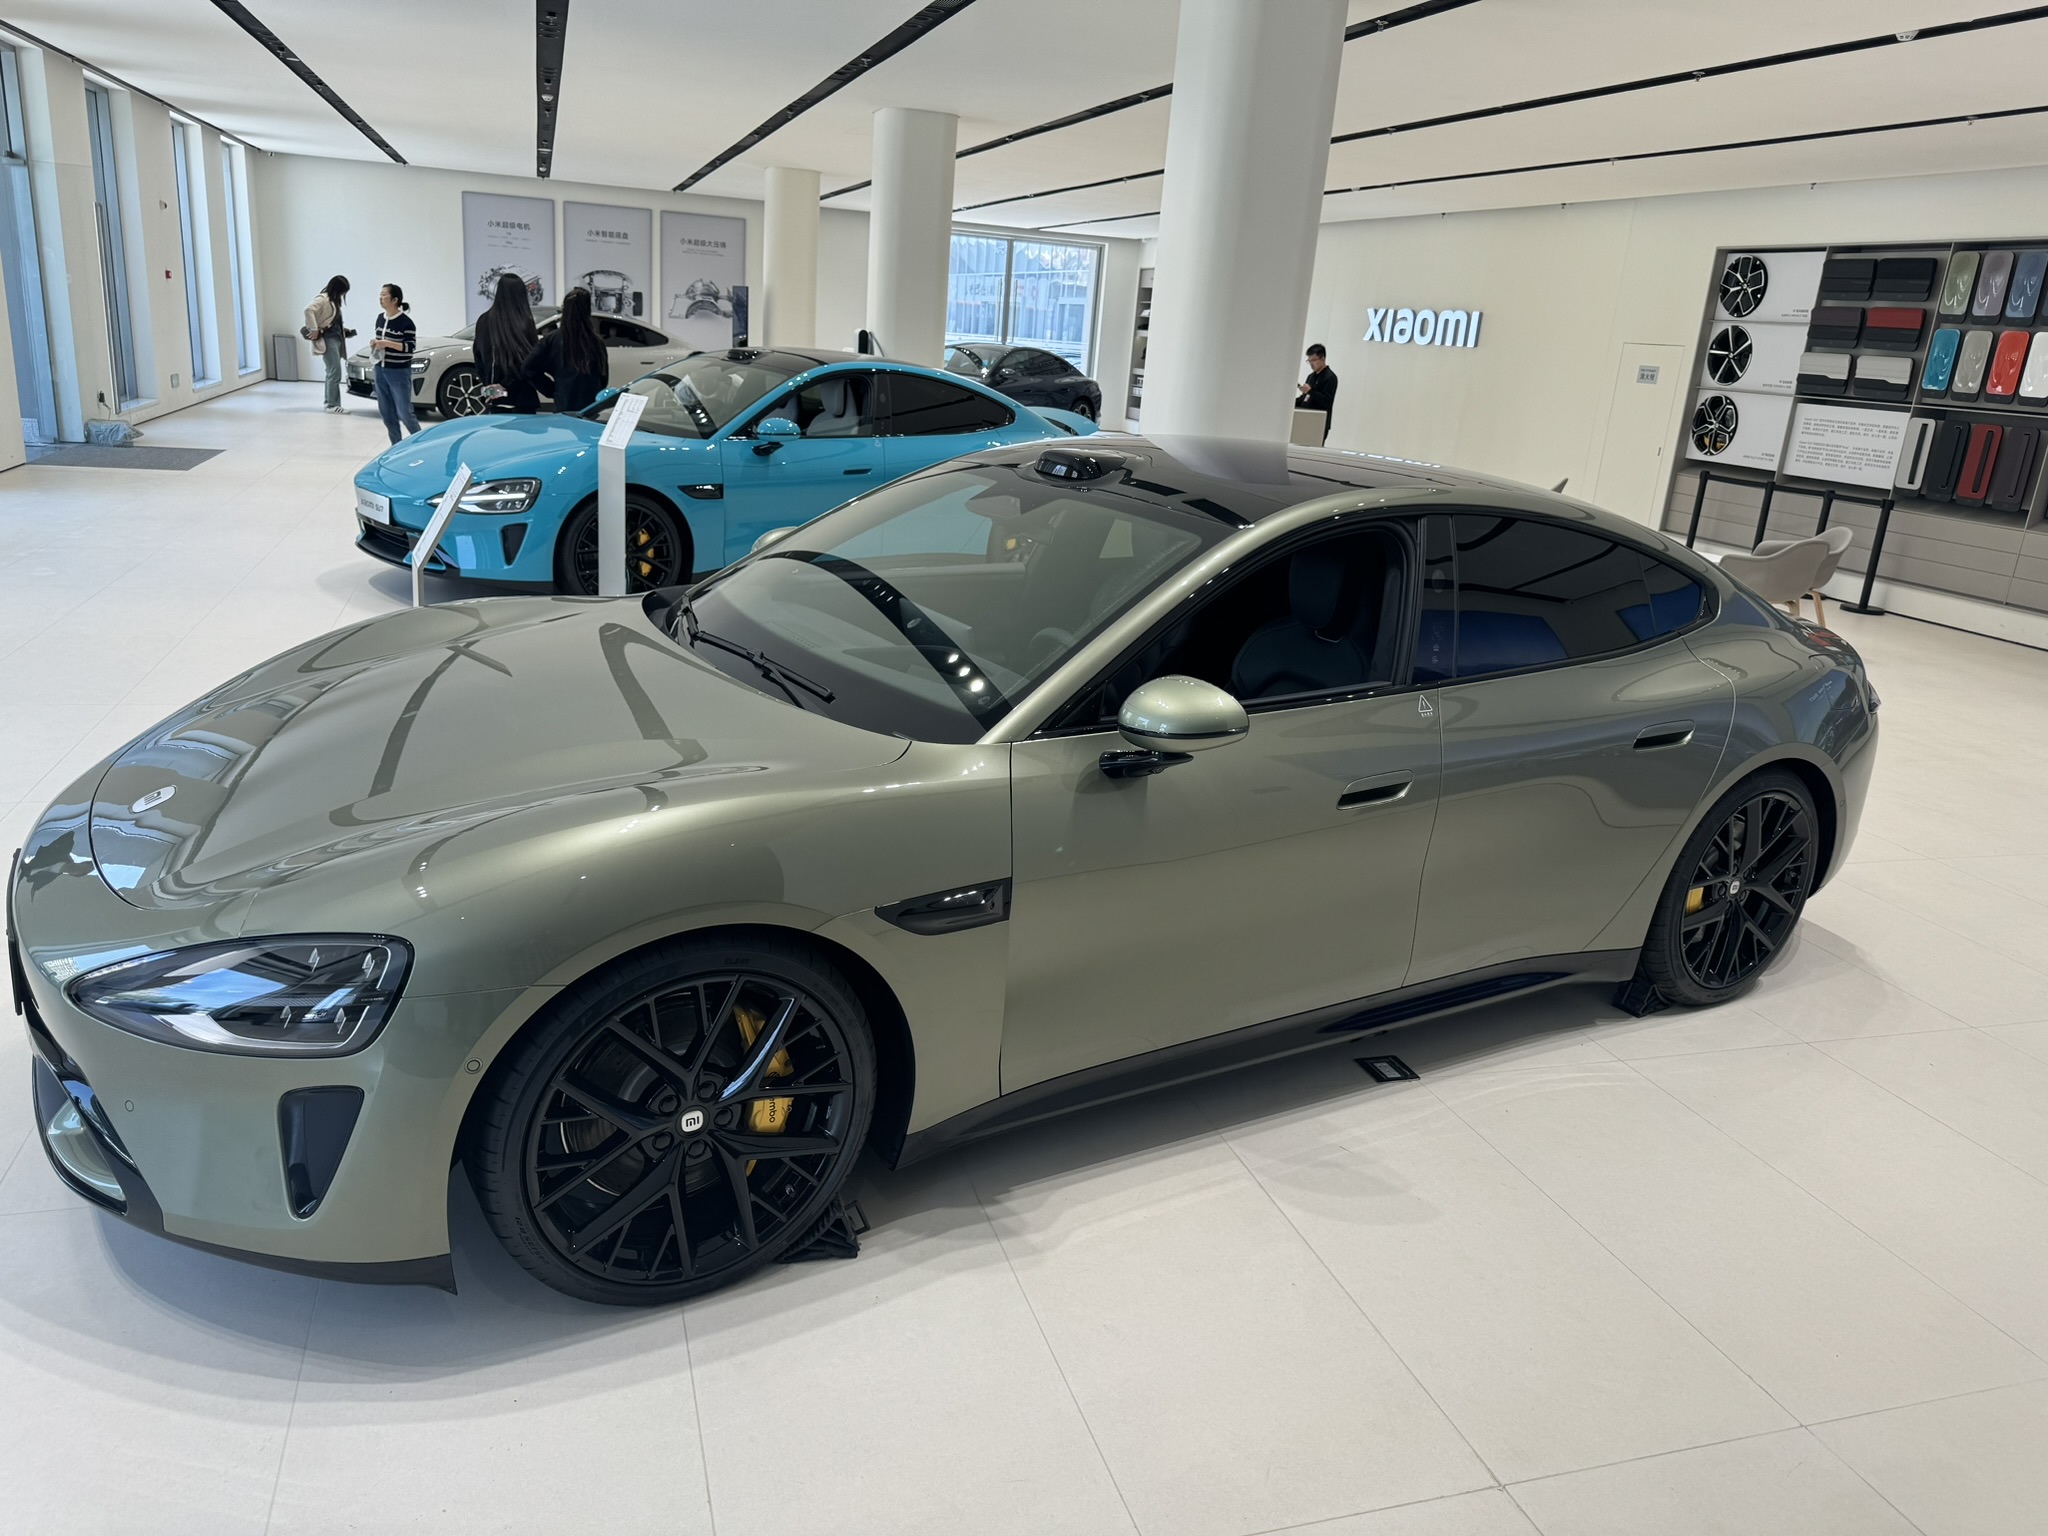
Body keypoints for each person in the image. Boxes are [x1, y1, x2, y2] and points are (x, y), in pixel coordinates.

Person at [521, 286, 608, 414]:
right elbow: (603, 377)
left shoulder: (552, 339)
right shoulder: (597, 342)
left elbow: (528, 368)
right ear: (587, 310)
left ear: (565, 309)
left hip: (563, 404)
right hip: (590, 407)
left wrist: (551, 390)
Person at [472, 270, 541, 414]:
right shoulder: (525, 322)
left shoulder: (484, 321)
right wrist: (505, 385)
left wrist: (491, 386)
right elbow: (529, 360)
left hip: (495, 398)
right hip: (523, 397)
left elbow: (479, 358)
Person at [370, 282, 421, 443]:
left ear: (395, 300)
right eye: (380, 295)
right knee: (386, 412)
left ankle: (421, 443)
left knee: (405, 412)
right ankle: (395, 445)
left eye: (384, 295)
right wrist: (376, 344)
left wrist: (387, 343)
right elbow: (380, 341)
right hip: (380, 369)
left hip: (398, 371)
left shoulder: (406, 322)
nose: (381, 298)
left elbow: (409, 348)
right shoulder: (380, 318)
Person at [303, 275, 353, 414]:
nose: (343, 294)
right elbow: (308, 310)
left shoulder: (332, 300)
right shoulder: (323, 299)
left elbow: (330, 321)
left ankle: (330, 403)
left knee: (332, 371)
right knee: (334, 371)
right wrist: (314, 329)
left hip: (335, 338)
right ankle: (331, 405)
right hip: (328, 339)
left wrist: (343, 330)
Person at [1296, 343, 1339, 443]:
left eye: (1314, 360)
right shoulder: (1311, 376)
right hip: (1304, 421)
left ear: (1322, 358)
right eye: (1309, 361)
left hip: (1318, 424)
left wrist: (1310, 391)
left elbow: (1326, 401)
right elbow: (1305, 398)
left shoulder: (1330, 377)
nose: (1311, 364)